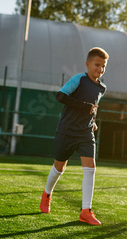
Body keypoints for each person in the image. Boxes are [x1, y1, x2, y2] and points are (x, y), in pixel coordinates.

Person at [39, 47, 108, 226]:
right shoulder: (79, 79)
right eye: (97, 65)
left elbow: (93, 107)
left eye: (103, 66)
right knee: (59, 167)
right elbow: (60, 96)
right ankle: (47, 194)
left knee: (90, 167)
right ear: (87, 64)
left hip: (85, 133)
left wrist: (92, 120)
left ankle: (86, 210)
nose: (100, 69)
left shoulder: (102, 88)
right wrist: (83, 106)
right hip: (67, 131)